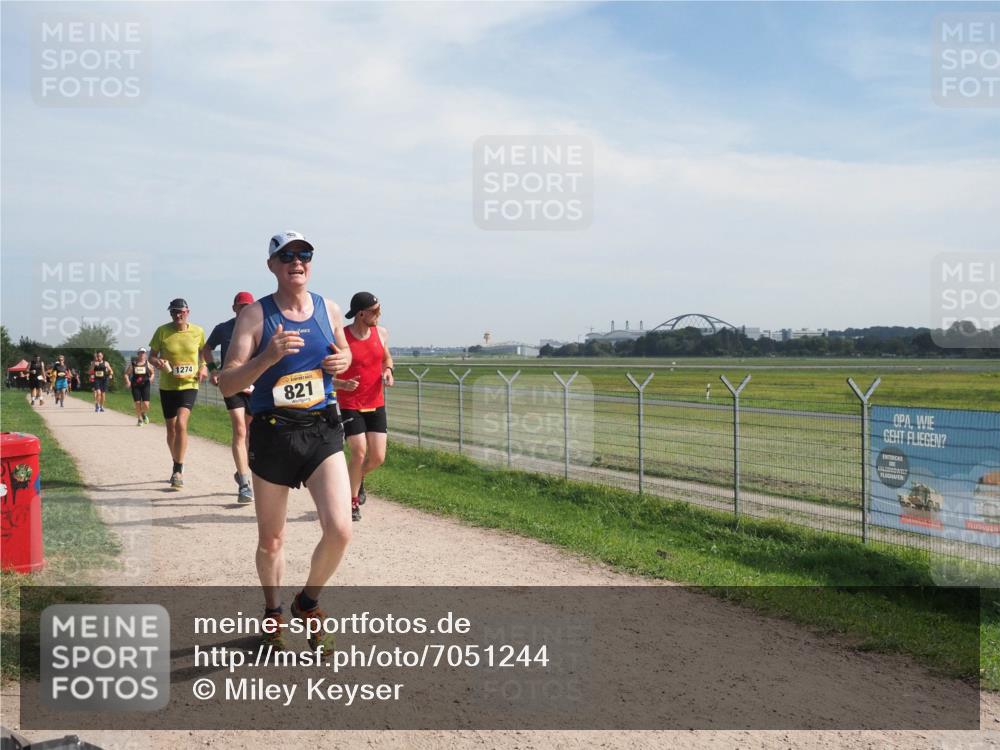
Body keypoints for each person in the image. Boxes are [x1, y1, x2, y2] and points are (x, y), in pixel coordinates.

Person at [219, 230, 351, 653]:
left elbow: (343, 352)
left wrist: (341, 360)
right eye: (287, 255)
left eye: (305, 254)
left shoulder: (327, 308)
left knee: (340, 530)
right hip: (273, 434)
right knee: (271, 539)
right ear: (272, 265)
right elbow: (227, 382)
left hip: (321, 429)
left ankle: (307, 602)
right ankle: (274, 610)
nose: (298, 261)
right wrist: (268, 357)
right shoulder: (255, 317)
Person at [335, 292, 394, 522]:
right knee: (358, 451)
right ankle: (351, 503)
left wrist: (388, 371)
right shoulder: (342, 339)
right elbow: (325, 376)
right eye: (375, 311)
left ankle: (356, 480)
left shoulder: (381, 333)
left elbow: (386, 360)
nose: (379, 315)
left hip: (375, 402)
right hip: (350, 403)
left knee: (377, 457)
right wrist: (342, 384)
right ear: (361, 313)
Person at [148, 298, 208, 490]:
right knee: (171, 429)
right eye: (173, 312)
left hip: (189, 385)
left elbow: (203, 354)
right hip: (168, 386)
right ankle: (176, 460)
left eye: (180, 311)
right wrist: (158, 363)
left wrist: (204, 367)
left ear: (187, 312)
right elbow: (152, 356)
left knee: (182, 424)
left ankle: (178, 470)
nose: (177, 315)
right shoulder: (162, 331)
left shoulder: (198, 331)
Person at [203, 291, 256, 503]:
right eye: (241, 306)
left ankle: (241, 469)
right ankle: (244, 483)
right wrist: (214, 370)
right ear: (234, 308)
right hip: (232, 382)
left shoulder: (259, 327)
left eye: (248, 306)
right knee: (240, 429)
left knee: (251, 433)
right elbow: (206, 349)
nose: (244, 310)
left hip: (254, 386)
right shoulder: (223, 328)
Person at [125, 347, 155, 426]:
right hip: (135, 385)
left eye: (143, 353)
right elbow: (126, 374)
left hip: (145, 385)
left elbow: (152, 373)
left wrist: (151, 378)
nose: (142, 354)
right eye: (140, 353)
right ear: (138, 354)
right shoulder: (133, 364)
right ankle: (139, 420)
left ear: (145, 354)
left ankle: (143, 413)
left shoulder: (147, 363)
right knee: (137, 403)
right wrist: (128, 381)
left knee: (146, 405)